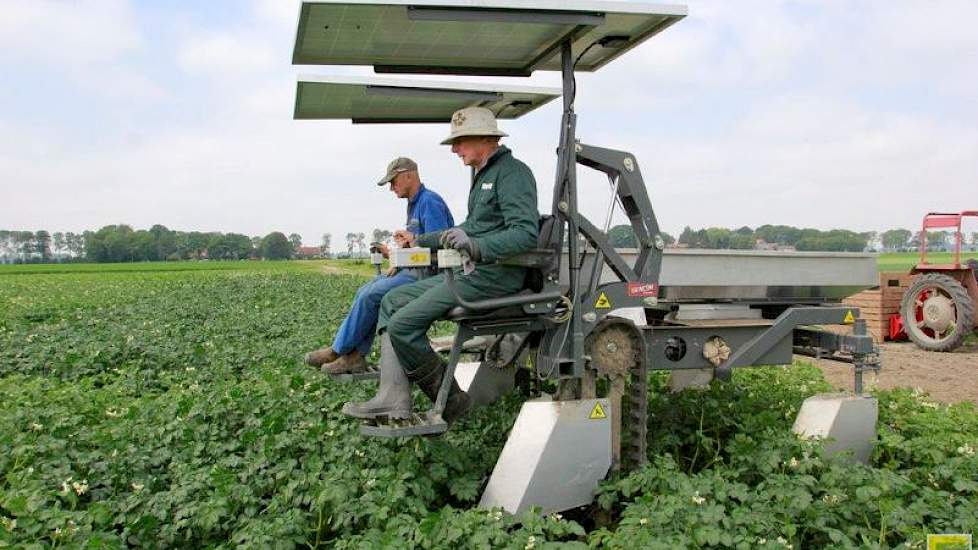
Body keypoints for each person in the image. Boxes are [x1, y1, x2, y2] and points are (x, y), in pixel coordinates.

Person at [342, 106, 539, 423]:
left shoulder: (513, 174)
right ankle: (392, 398)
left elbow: (525, 233)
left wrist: (476, 246)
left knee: (403, 325)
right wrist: (421, 240)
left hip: (493, 277)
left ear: (484, 138)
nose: (455, 150)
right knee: (391, 300)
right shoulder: (484, 175)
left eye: (459, 142)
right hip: (471, 272)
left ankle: (450, 401)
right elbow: (471, 226)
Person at [304, 157, 453, 374]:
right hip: (414, 269)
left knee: (372, 294)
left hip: (430, 275)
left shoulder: (430, 202)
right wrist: (396, 254)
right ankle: (353, 356)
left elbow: (441, 244)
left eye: (394, 182)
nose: (392, 188)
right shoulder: (414, 204)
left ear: (409, 175)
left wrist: (408, 248)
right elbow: (418, 243)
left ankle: (340, 351)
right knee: (365, 289)